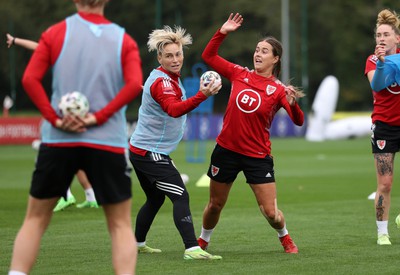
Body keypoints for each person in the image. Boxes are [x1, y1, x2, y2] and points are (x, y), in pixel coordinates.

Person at [8, 0, 143, 274]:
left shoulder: (55, 33)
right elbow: (133, 85)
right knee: (119, 225)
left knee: (35, 220)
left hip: (59, 140)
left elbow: (29, 80)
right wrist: (98, 117)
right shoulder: (123, 39)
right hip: (107, 142)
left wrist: (55, 119)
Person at [196, 13, 305, 255]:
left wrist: (293, 103)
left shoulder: (278, 90)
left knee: (271, 213)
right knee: (215, 204)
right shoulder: (238, 73)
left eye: (264, 51)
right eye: (257, 49)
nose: (258, 54)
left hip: (257, 156)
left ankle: (285, 238)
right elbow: (208, 56)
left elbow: (298, 121)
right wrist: (222, 31)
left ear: (275, 59)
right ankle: (202, 242)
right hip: (226, 150)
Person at [129, 25, 222, 260]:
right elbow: (173, 109)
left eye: (178, 54)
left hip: (143, 150)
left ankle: (137, 243)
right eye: (168, 55)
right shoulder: (163, 82)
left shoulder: (167, 78)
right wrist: (203, 95)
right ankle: (192, 248)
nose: (175, 59)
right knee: (180, 195)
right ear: (159, 57)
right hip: (150, 153)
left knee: (155, 198)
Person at [6, 33, 99, 211]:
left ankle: (66, 196)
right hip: (78, 109)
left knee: (56, 155)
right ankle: (90, 196)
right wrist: (16, 41)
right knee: (73, 157)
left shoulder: (65, 58)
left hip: (64, 111)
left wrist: (16, 41)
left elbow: (38, 48)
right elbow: (37, 47)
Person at [365, 9, 400, 246]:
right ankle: (382, 233)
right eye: (378, 35)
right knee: (385, 183)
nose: (381, 38)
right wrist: (381, 64)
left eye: (386, 34)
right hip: (385, 128)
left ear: (397, 38)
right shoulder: (372, 60)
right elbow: (377, 86)